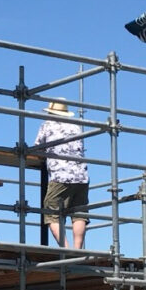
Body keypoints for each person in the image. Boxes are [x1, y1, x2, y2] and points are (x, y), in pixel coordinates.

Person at [31, 98, 90, 250]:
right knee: (79, 212)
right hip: (81, 175)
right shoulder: (76, 126)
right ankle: (78, 249)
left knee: (51, 210)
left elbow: (38, 149)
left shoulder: (47, 125)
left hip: (60, 174)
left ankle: (65, 248)